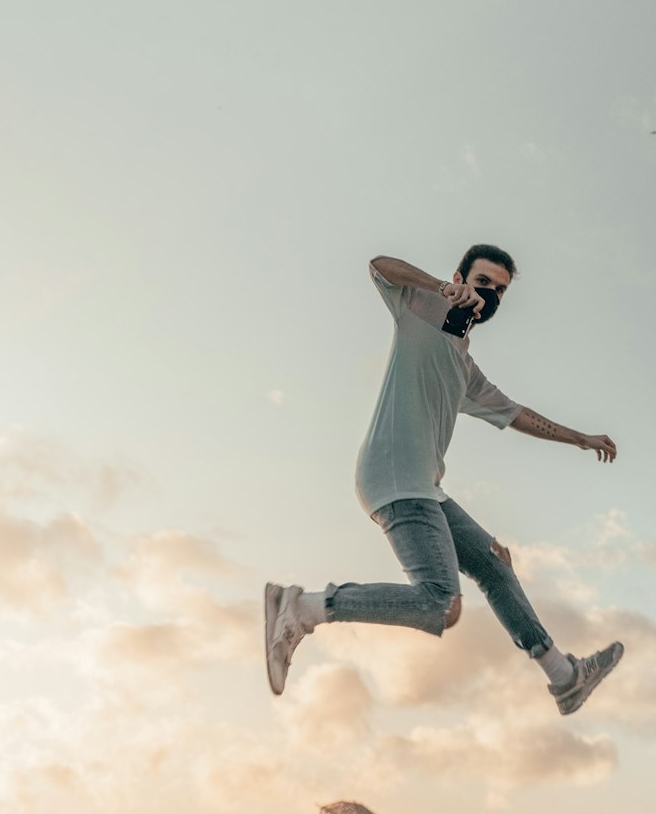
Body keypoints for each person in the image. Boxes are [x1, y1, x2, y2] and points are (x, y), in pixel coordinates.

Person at [265, 244, 624, 716]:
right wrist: (441, 287)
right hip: (392, 477)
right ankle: (304, 608)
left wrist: (579, 437)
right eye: (482, 282)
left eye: (500, 290)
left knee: (496, 562)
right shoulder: (419, 308)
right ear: (461, 276)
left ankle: (564, 677)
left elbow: (516, 414)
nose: (489, 294)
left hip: (425, 488)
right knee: (440, 604)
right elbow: (379, 267)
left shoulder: (465, 367)